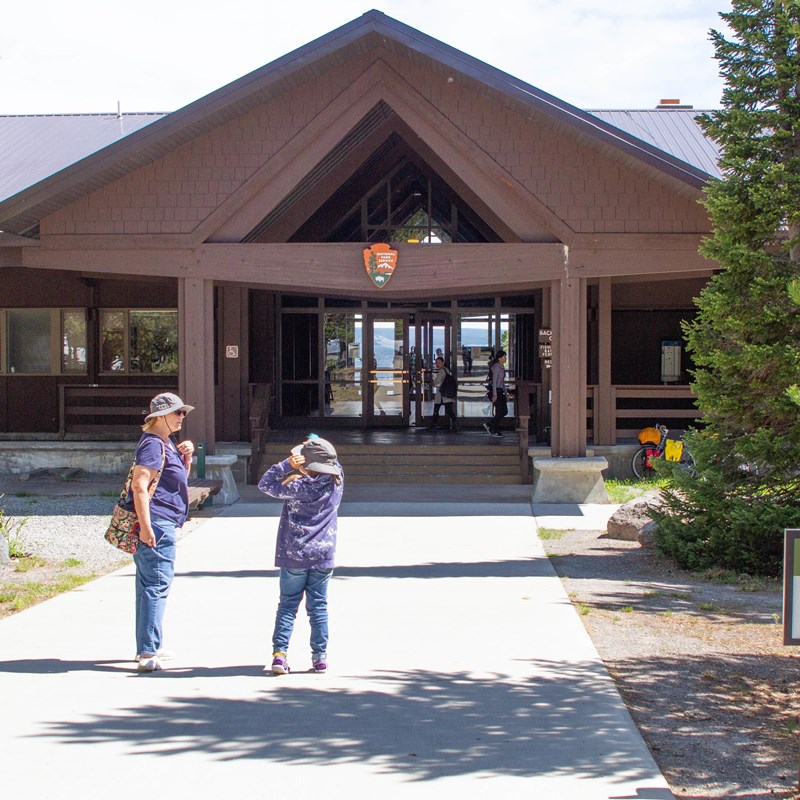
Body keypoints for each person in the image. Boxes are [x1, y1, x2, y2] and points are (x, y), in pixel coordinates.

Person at [258, 435, 343, 675]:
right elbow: (335, 463)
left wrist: (288, 464)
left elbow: (265, 484)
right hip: (322, 554)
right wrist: (318, 442)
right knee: (318, 606)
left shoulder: (295, 486)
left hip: (293, 553)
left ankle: (279, 655)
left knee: (287, 606)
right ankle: (319, 657)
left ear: (304, 464)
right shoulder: (336, 482)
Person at [128, 392, 195, 672]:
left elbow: (173, 483)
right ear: (160, 416)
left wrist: (187, 461)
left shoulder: (164, 443)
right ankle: (147, 651)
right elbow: (139, 486)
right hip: (158, 522)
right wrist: (146, 527)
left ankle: (148, 644)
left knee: (147, 585)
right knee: (156, 584)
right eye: (177, 413)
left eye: (183, 413)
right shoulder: (154, 445)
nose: (182, 418)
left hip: (160, 520)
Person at [429, 356, 458, 432]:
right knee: (448, 409)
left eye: (439, 362)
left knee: (436, 409)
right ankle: (455, 423)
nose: (437, 364)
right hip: (446, 394)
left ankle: (434, 425)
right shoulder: (447, 370)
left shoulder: (441, 371)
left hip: (441, 393)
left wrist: (433, 383)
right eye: (436, 363)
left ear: (443, 362)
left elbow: (438, 382)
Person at [483, 349, 508, 438]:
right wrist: (494, 394)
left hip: (501, 391)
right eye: (504, 357)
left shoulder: (502, 367)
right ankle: (492, 426)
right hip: (497, 391)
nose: (506, 358)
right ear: (499, 358)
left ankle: (494, 427)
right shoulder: (496, 367)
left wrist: (506, 392)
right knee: (501, 411)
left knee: (503, 411)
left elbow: (502, 381)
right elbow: (494, 382)